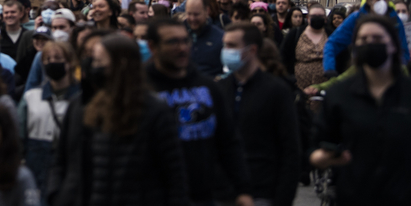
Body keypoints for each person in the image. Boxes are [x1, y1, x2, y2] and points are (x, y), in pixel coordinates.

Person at [311, 15, 411, 206]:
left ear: (393, 44)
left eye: (377, 39)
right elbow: (315, 147)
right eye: (363, 40)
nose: (370, 43)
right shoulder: (340, 96)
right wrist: (325, 158)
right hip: (354, 198)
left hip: (407, 198)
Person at [47, 34, 188, 206]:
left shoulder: (154, 111)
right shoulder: (80, 106)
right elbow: (62, 161)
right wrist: (57, 195)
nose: (93, 68)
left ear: (121, 65)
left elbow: (174, 177)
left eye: (99, 62)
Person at [145, 18, 253, 206]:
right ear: (153, 47)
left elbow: (228, 140)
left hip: (205, 194)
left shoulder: (207, 87)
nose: (182, 48)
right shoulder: (141, 89)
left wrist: (242, 189)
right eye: (173, 42)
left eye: (185, 41)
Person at [219, 23, 299, 206]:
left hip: (263, 190)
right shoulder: (220, 90)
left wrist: (283, 198)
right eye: (225, 45)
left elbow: (290, 149)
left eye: (232, 46)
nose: (226, 51)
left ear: (252, 49)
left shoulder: (277, 91)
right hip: (225, 192)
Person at [18, 41, 79, 195]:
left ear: (70, 62)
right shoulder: (31, 97)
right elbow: (19, 135)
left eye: (58, 58)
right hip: (36, 167)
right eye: (47, 59)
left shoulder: (81, 99)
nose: (52, 63)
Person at [323, 0, 409, 77]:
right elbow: (333, 43)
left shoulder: (394, 20)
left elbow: (403, 48)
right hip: (361, 71)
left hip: (388, 73)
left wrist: (401, 68)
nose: (382, 2)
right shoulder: (356, 18)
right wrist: (329, 68)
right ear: (369, 1)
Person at [280, 1, 329, 91]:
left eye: (320, 16)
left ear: (325, 18)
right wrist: (289, 78)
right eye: (314, 16)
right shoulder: (295, 33)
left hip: (326, 89)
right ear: (308, 18)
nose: (317, 18)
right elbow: (283, 56)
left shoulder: (331, 34)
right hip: (298, 87)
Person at [184, 0, 225, 78]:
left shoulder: (220, 38)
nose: (192, 18)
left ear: (207, 11)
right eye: (189, 14)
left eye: (196, 14)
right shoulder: (179, 36)